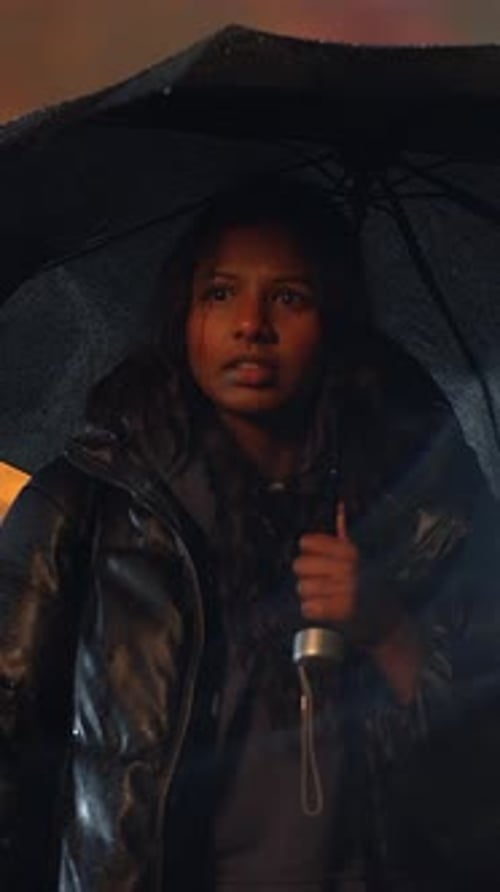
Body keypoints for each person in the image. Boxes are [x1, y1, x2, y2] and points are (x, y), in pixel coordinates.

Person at [0, 177, 499, 892]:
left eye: (289, 297)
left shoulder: (423, 511)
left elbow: (481, 779)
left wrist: (388, 629)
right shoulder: (89, 506)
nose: (250, 324)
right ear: (185, 316)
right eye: (221, 293)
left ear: (336, 320)